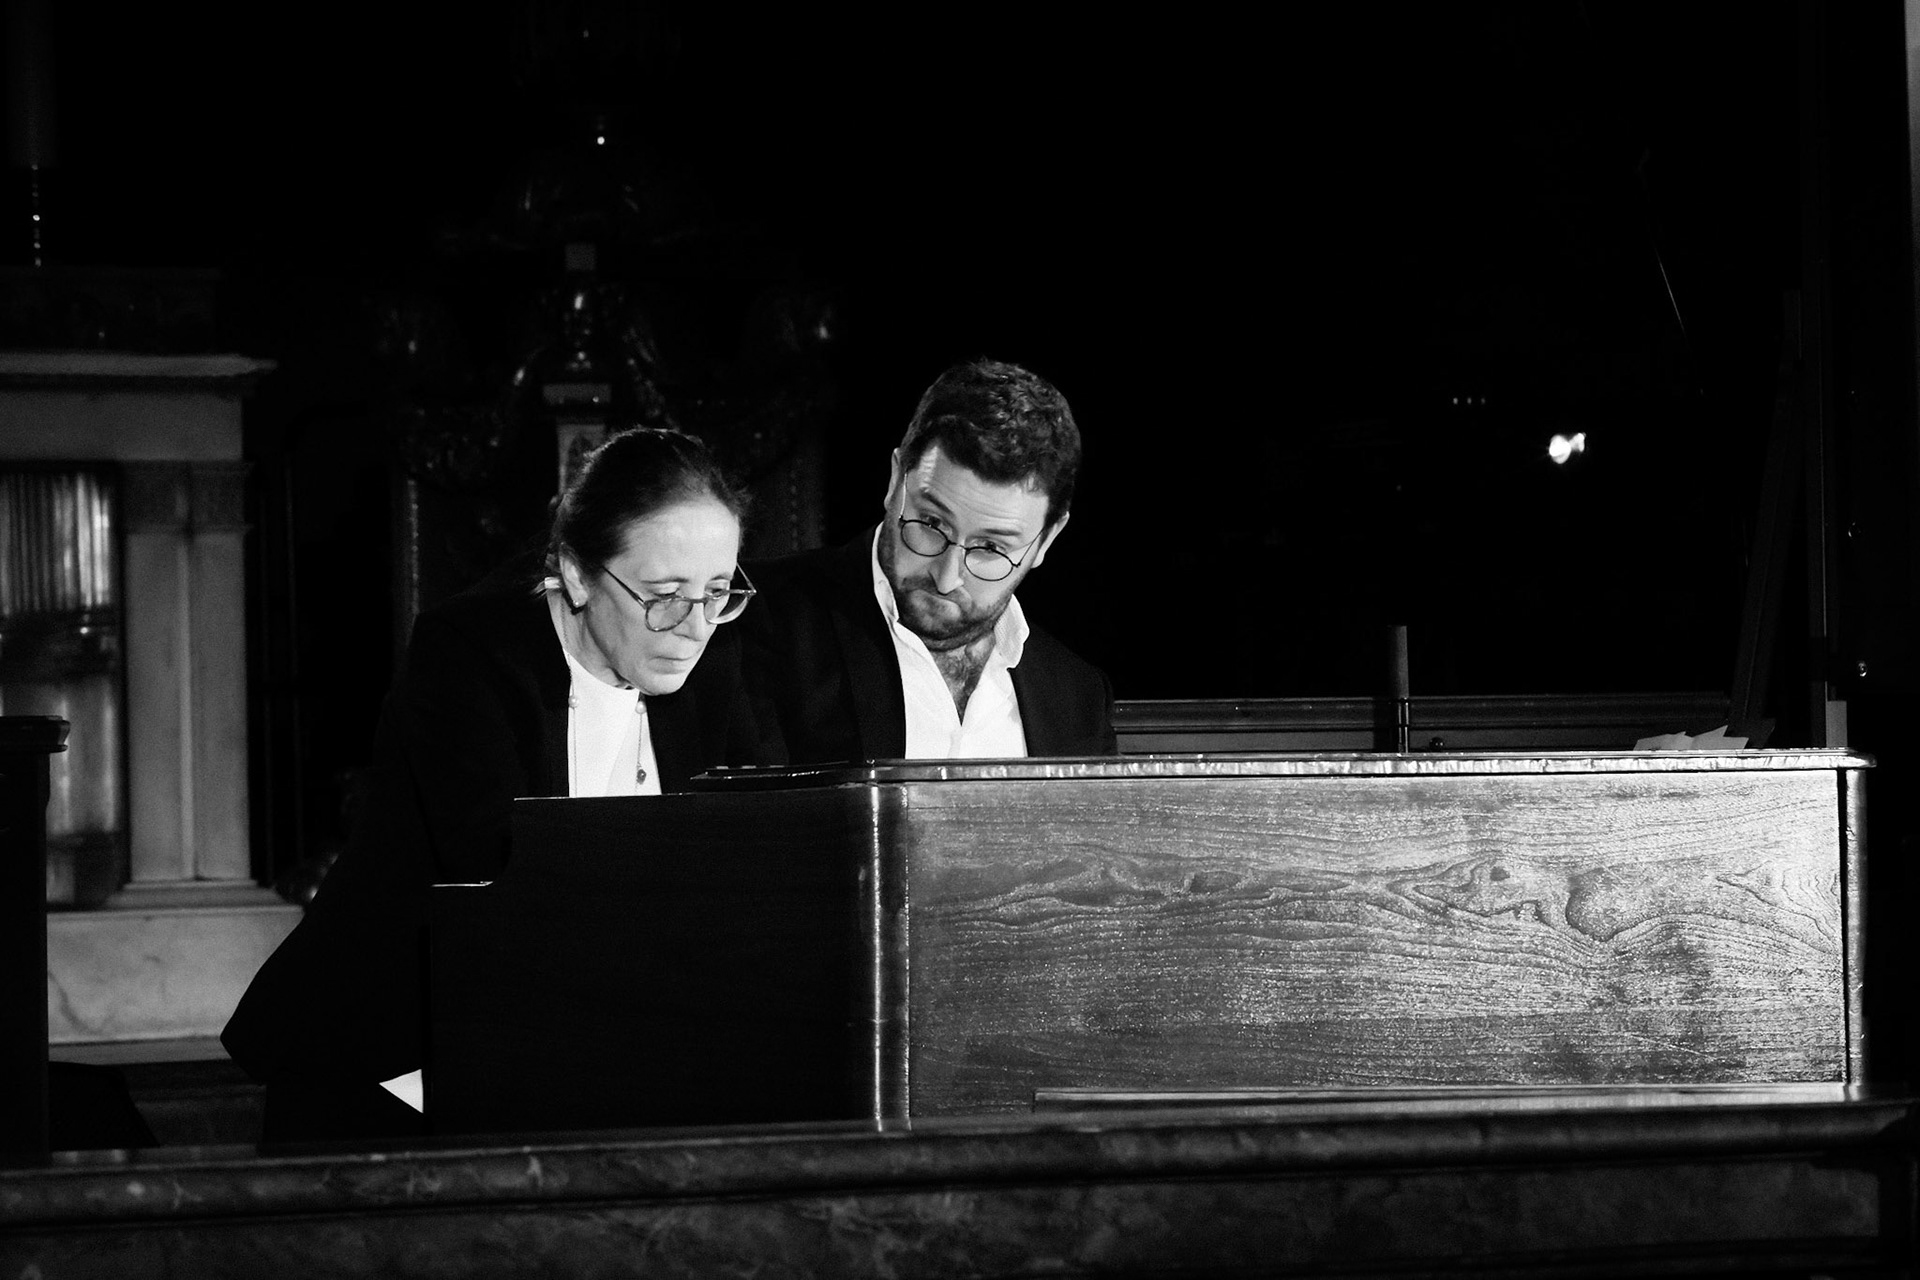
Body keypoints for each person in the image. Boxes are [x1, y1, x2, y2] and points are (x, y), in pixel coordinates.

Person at [223, 427, 767, 1143]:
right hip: (388, 1065)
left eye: (718, 592)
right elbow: (503, 877)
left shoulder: (715, 658)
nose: (693, 627)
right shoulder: (467, 655)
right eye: (664, 595)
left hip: (580, 1055)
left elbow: (755, 848)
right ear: (576, 573)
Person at [741, 357, 1115, 763]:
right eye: (932, 523)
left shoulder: (1078, 697)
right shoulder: (762, 622)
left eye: (991, 549)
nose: (946, 576)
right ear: (895, 479)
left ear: (1047, 539)